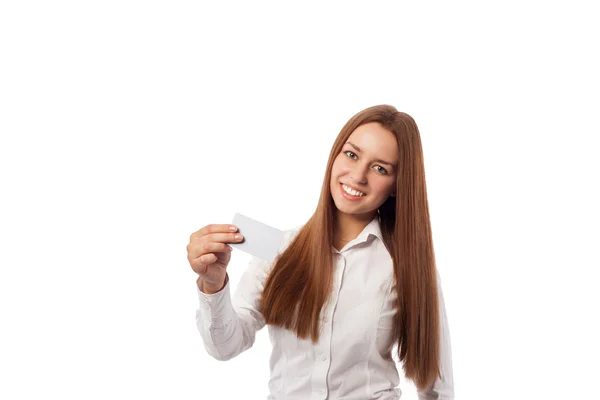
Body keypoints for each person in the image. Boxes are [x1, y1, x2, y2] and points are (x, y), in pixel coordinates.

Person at [187, 104, 454, 399]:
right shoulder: (280, 250)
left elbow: (437, 387)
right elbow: (225, 347)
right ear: (335, 155)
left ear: (396, 184)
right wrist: (213, 285)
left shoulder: (406, 268)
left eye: (380, 168)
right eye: (352, 154)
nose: (358, 175)